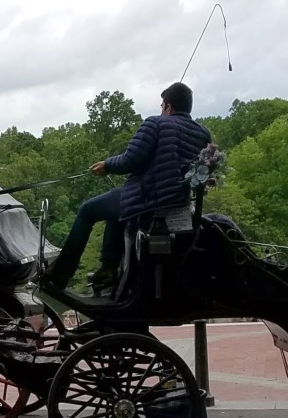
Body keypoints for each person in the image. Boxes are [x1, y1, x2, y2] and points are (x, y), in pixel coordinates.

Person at [47, 82, 212, 292]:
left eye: (162, 106)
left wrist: (106, 165)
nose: (161, 110)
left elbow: (131, 159)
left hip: (148, 200)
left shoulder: (155, 123)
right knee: (114, 210)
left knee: (88, 210)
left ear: (168, 107)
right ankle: (108, 268)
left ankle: (60, 274)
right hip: (178, 203)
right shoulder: (203, 134)